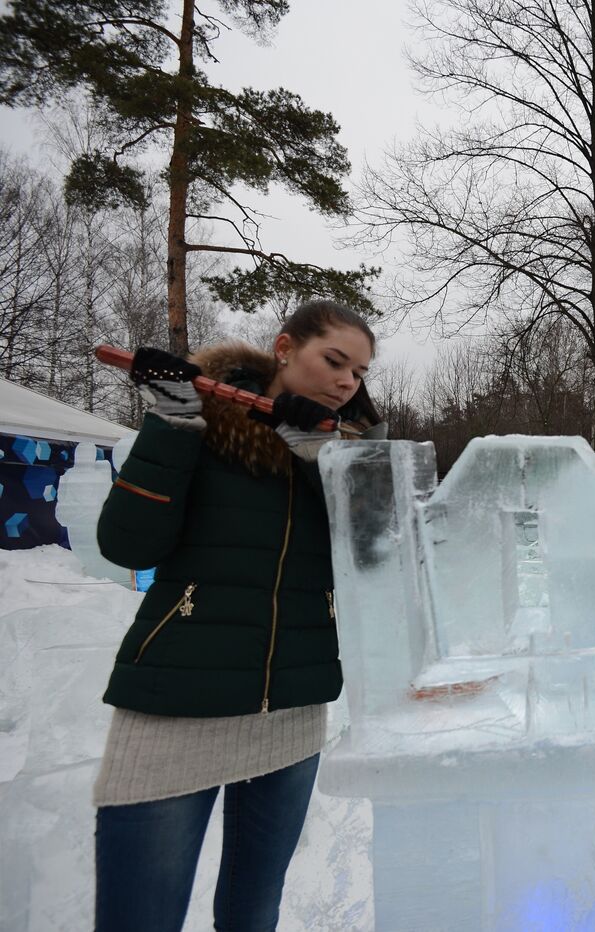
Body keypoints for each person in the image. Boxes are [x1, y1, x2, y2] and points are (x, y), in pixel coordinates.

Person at [91, 300, 385, 931]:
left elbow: (376, 560)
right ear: (284, 348)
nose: (346, 382)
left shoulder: (348, 455)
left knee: (252, 913)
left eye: (359, 373)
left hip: (293, 713)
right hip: (175, 705)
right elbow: (127, 546)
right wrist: (171, 428)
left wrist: (322, 465)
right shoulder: (207, 424)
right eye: (334, 361)